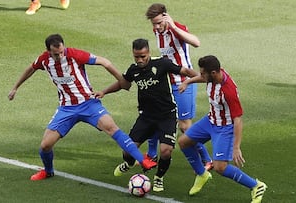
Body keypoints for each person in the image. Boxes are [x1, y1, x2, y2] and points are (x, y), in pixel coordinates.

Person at [8, 34, 157, 181]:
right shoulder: (44, 60)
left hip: (88, 104)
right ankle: (48, 171)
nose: (60, 55)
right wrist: (15, 87)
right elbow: (31, 68)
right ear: (48, 51)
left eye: (61, 51)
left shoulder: (74, 54)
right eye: (56, 54)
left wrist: (122, 80)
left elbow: (104, 62)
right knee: (45, 145)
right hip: (66, 108)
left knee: (112, 128)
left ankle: (142, 160)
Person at [94, 38, 198, 192]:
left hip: (167, 115)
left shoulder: (162, 63)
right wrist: (104, 91)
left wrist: (199, 79)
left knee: (165, 150)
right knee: (127, 150)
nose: (140, 60)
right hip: (146, 117)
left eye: (143, 56)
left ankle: (159, 178)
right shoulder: (134, 70)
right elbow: (124, 84)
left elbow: (186, 71)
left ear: (148, 52)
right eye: (137, 56)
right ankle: (129, 163)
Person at [177, 55, 267, 202]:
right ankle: (202, 174)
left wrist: (236, 147)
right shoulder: (213, 76)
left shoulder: (228, 91)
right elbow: (201, 78)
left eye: (203, 73)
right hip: (210, 121)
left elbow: (238, 119)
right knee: (183, 142)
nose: (201, 75)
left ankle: (256, 186)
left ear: (213, 73)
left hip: (225, 128)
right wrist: (188, 81)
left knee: (220, 167)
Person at [145, 3, 213, 170]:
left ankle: (207, 159)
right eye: (154, 23)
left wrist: (174, 26)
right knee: (156, 115)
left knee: (184, 126)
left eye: (159, 22)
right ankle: (151, 154)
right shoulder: (157, 31)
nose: (157, 26)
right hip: (168, 83)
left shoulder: (176, 28)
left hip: (184, 83)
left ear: (166, 16)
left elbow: (196, 43)